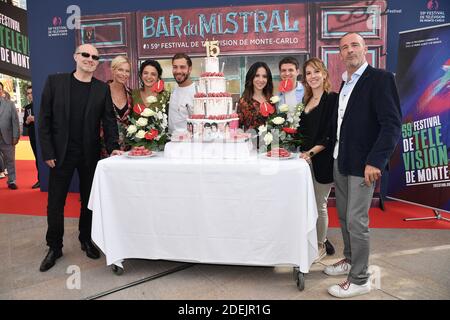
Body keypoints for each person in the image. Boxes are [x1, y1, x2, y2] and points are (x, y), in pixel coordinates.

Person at [325, 32, 401, 298]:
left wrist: (375, 161)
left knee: (357, 221)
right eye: (344, 47)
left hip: (364, 166)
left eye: (354, 45)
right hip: (341, 160)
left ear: (365, 48)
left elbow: (391, 125)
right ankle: (349, 259)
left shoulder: (380, 79)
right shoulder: (344, 83)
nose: (349, 50)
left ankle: (359, 279)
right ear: (340, 55)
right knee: (344, 217)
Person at [38, 44, 123, 272]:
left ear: (97, 63)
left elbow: (109, 121)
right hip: (60, 155)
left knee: (88, 200)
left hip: (89, 154)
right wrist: (47, 152)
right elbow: (44, 119)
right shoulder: (55, 82)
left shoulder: (101, 89)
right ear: (75, 57)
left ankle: (86, 239)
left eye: (95, 57)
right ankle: (54, 246)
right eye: (85, 54)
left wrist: (113, 147)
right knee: (56, 202)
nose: (90, 59)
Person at [298, 58, 337, 262]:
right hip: (304, 161)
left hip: (322, 161)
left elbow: (330, 135)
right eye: (308, 73)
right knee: (306, 204)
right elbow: (302, 132)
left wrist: (310, 153)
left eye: (316, 72)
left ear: (324, 74)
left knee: (319, 204)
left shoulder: (332, 99)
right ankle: (311, 239)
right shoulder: (306, 101)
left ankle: (320, 244)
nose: (312, 76)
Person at [102, 55, 133, 156]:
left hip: (128, 151)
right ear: (113, 70)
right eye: (120, 70)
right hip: (104, 149)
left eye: (127, 71)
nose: (124, 74)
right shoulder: (101, 93)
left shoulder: (131, 95)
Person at [237, 61, 274, 131]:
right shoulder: (244, 102)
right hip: (250, 141)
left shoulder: (272, 99)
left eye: (264, 76)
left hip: (272, 141)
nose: (261, 80)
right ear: (251, 77)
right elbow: (239, 129)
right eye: (257, 76)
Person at [168, 53, 196, 134]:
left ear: (189, 69)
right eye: (175, 67)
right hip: (171, 142)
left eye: (182, 67)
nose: (178, 71)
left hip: (189, 143)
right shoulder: (172, 91)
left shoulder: (197, 93)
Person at [0, 81, 20, 189]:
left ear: (2, 91)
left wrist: (15, 136)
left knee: (10, 160)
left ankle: (11, 181)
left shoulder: (10, 104)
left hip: (7, 138)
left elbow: (15, 121)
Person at [22, 85, 41, 189]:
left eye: (31, 93)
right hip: (33, 136)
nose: (30, 95)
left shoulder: (41, 104)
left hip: (42, 135)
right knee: (37, 158)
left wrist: (36, 119)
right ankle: (40, 179)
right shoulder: (27, 107)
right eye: (28, 93)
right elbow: (25, 125)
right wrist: (27, 121)